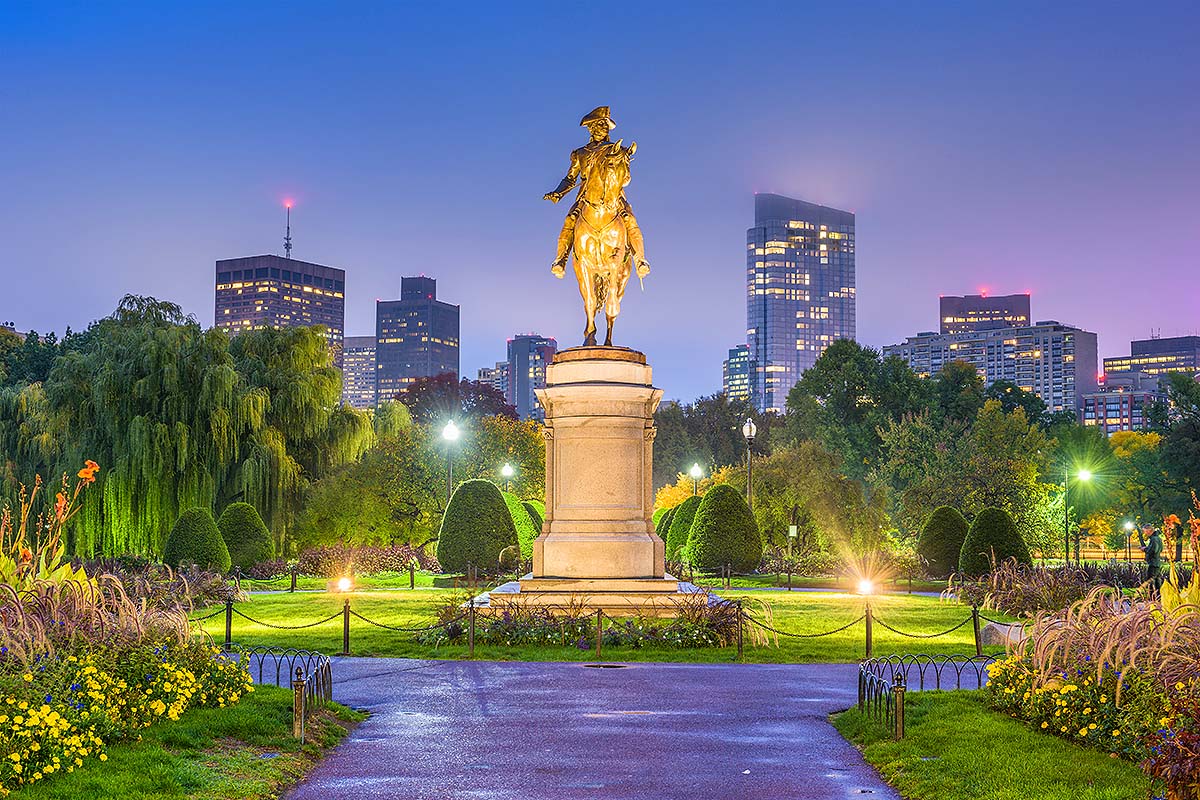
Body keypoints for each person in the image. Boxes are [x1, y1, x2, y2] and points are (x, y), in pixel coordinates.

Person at [1141, 524, 1163, 592]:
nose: (1145, 533)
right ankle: (1158, 598)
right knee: (1157, 582)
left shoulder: (1153, 539)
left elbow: (1153, 550)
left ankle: (1152, 598)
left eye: (1145, 531)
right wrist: (1146, 548)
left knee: (1151, 582)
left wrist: (1144, 549)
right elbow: (1160, 549)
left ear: (1149, 530)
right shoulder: (1158, 538)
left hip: (1153, 563)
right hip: (1157, 563)